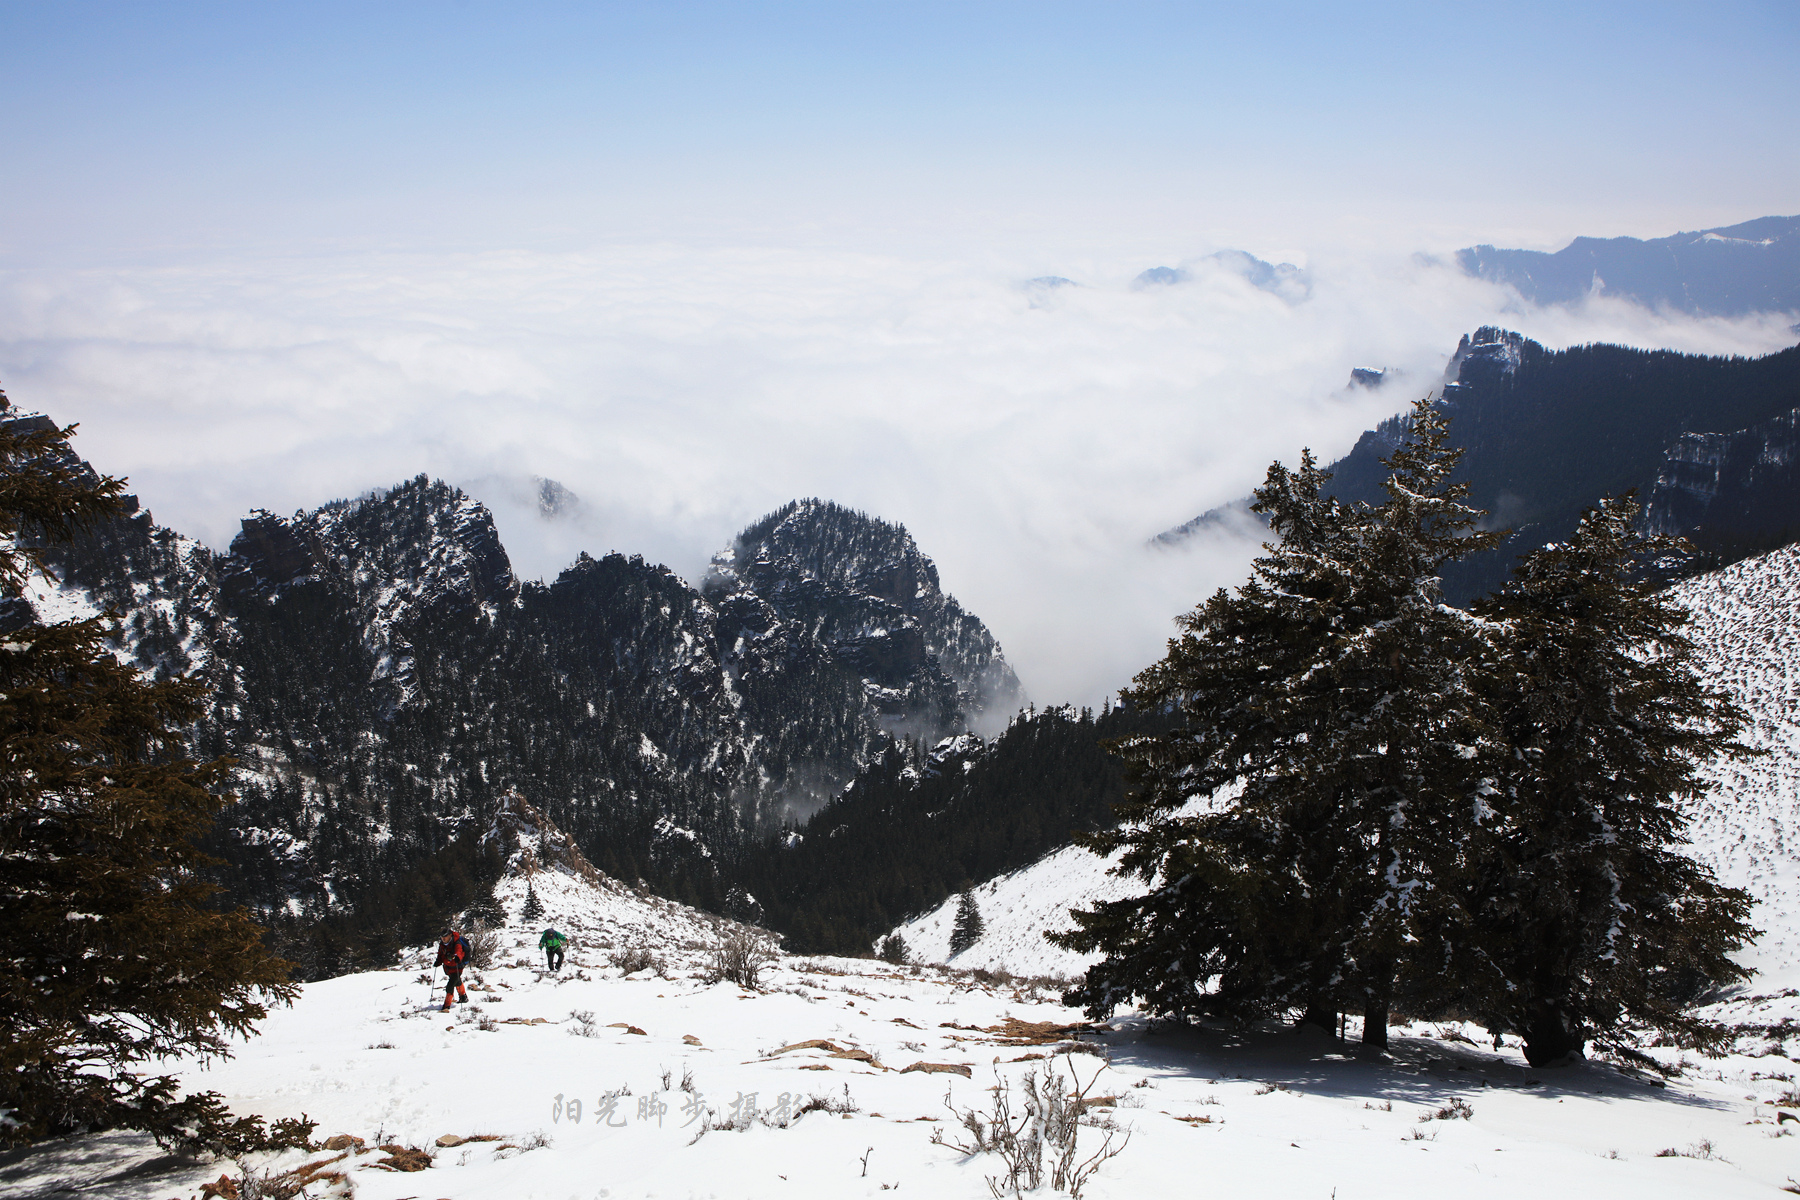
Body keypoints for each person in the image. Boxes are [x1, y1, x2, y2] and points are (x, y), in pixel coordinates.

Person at [435, 928, 470, 1011]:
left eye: (445, 936)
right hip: (448, 967)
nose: (443, 938)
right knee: (456, 981)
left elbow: (459, 951)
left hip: (458, 967)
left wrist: (458, 957)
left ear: (450, 935)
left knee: (450, 985)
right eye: (442, 937)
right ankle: (463, 997)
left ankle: (446, 1005)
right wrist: (438, 961)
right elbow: (440, 954)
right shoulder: (442, 944)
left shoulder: (456, 943)